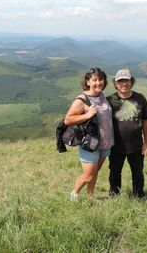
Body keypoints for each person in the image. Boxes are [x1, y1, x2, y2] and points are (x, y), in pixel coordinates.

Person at [64, 67, 114, 201]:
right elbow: (68, 119)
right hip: (90, 143)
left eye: (101, 79)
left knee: (94, 173)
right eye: (94, 80)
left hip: (105, 142)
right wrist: (87, 115)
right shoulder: (82, 99)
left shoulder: (101, 95)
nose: (98, 83)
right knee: (88, 175)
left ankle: (90, 197)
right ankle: (74, 194)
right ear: (87, 82)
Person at [107, 69, 147, 198]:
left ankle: (139, 196)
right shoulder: (109, 100)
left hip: (136, 145)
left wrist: (146, 143)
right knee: (115, 173)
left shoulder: (140, 98)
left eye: (126, 80)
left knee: (138, 172)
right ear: (115, 83)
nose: (124, 84)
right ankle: (114, 196)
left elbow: (146, 121)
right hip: (115, 146)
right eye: (120, 81)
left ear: (131, 82)